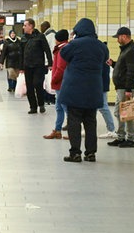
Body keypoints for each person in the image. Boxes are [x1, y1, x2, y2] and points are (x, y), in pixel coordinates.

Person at [58, 18, 109, 162]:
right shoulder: (101, 46)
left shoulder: (74, 44)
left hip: (75, 90)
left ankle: (75, 153)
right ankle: (91, 153)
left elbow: (63, 54)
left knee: (74, 121)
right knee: (90, 122)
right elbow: (105, 59)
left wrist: (72, 39)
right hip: (93, 90)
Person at [107, 26, 134, 148]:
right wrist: (113, 64)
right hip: (121, 87)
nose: (117, 40)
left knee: (127, 113)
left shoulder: (131, 50)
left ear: (124, 36)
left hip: (126, 88)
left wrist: (128, 90)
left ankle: (131, 139)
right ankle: (121, 137)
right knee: (119, 112)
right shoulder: (126, 49)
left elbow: (132, 72)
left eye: (118, 37)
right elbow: (124, 67)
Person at [20, 18, 53, 114]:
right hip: (27, 66)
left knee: (37, 84)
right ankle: (33, 107)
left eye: (25, 25)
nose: (23, 27)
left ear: (31, 26)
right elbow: (21, 53)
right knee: (29, 87)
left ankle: (41, 104)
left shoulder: (40, 37)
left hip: (38, 66)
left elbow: (47, 50)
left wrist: (50, 63)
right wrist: (21, 67)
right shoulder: (23, 38)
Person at [43, 29, 69, 139]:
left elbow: (60, 68)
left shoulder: (62, 50)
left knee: (66, 108)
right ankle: (57, 130)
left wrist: (53, 80)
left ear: (58, 39)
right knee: (59, 107)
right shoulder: (62, 48)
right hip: (61, 83)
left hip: (61, 83)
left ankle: (72, 131)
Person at [98, 43, 117, 138]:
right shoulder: (103, 51)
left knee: (103, 106)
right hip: (100, 83)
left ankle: (111, 129)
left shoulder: (100, 54)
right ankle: (111, 129)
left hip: (100, 83)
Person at [41, 21, 57, 105]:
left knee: (47, 80)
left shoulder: (48, 36)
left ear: (45, 27)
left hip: (48, 62)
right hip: (51, 61)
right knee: (48, 79)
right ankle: (50, 98)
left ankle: (48, 97)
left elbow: (48, 50)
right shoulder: (52, 34)